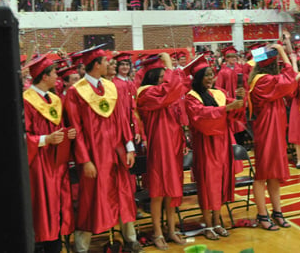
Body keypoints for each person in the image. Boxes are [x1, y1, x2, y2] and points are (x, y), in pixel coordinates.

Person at [64, 46, 142, 253]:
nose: (111, 65)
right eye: (107, 62)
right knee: (91, 199)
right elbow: (76, 128)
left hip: (116, 153)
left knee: (123, 193)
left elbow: (123, 120)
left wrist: (129, 147)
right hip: (94, 156)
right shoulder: (76, 92)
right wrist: (85, 160)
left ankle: (131, 240)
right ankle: (81, 247)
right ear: (97, 64)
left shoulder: (110, 87)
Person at [185, 55, 245, 240]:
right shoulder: (191, 97)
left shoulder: (218, 93)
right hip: (205, 145)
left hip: (222, 143)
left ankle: (217, 222)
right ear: (198, 78)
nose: (211, 78)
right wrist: (226, 109)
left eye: (212, 74)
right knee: (207, 184)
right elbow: (200, 116)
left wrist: (239, 101)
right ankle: (207, 225)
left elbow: (232, 114)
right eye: (207, 75)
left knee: (219, 183)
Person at [23, 56, 75, 253]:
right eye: (54, 73)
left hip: (56, 163)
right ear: (44, 77)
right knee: (42, 208)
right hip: (38, 163)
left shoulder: (54, 100)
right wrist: (46, 139)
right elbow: (23, 136)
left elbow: (58, 130)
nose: (57, 77)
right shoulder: (26, 101)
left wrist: (66, 134)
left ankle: (55, 244)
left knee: (58, 207)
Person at [136, 53, 187, 249]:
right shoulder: (146, 93)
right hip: (159, 146)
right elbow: (171, 89)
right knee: (158, 192)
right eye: (159, 76)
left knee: (172, 191)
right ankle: (157, 232)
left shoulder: (165, 92)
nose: (162, 80)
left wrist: (182, 141)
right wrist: (168, 65)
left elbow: (175, 96)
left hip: (173, 145)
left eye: (163, 77)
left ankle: (171, 230)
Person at [248, 44, 297, 230]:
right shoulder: (263, 81)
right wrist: (284, 53)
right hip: (266, 131)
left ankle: (277, 212)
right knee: (262, 174)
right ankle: (262, 214)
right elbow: (290, 80)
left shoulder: (266, 79)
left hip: (274, 130)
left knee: (274, 175)